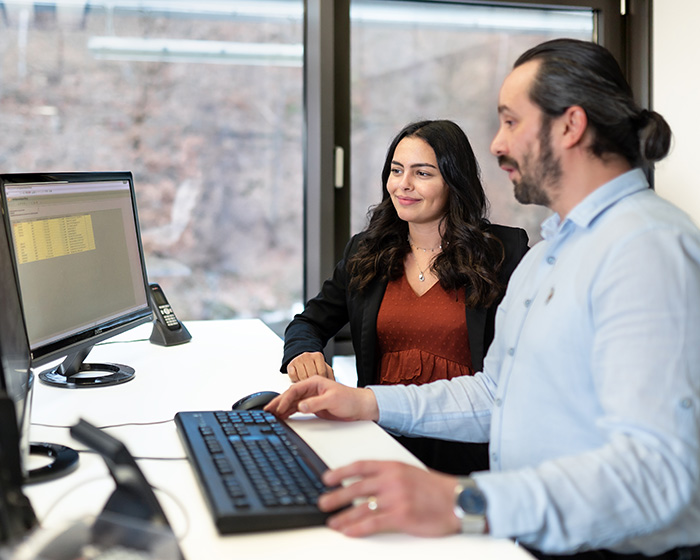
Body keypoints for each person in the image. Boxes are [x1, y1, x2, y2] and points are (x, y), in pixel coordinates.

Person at [266, 38, 700, 560]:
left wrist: (463, 499)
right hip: (526, 535)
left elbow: (660, 475)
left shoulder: (645, 247)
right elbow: (497, 396)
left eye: (511, 121)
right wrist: (366, 401)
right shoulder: (549, 257)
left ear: (571, 125)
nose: (497, 145)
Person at [280, 119, 529, 474]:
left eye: (422, 173)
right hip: (381, 438)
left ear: (454, 181)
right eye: (396, 171)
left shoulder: (505, 253)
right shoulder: (366, 250)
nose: (403, 185)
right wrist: (303, 350)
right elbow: (309, 322)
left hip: (470, 449)